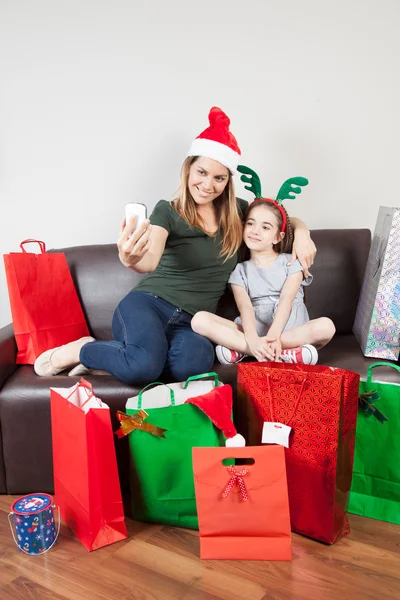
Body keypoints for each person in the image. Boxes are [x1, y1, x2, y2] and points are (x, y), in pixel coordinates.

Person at [34, 107, 317, 384]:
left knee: (191, 368)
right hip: (149, 305)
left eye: (219, 178)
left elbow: (278, 215)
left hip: (192, 322)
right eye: (202, 173)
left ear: (227, 181)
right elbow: (149, 260)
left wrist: (302, 233)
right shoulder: (168, 211)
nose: (208, 185)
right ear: (188, 169)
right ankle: (80, 350)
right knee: (144, 367)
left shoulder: (240, 213)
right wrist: (130, 258)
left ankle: (126, 357)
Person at [191, 173, 335, 365]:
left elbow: (286, 299)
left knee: (326, 326)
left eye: (265, 227)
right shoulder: (239, 271)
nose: (255, 231)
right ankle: (271, 352)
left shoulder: (292, 262)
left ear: (278, 237)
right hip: (255, 331)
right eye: (250, 223)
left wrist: (274, 337)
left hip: (289, 331)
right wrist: (252, 339)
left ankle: (256, 351)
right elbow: (245, 308)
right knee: (199, 320)